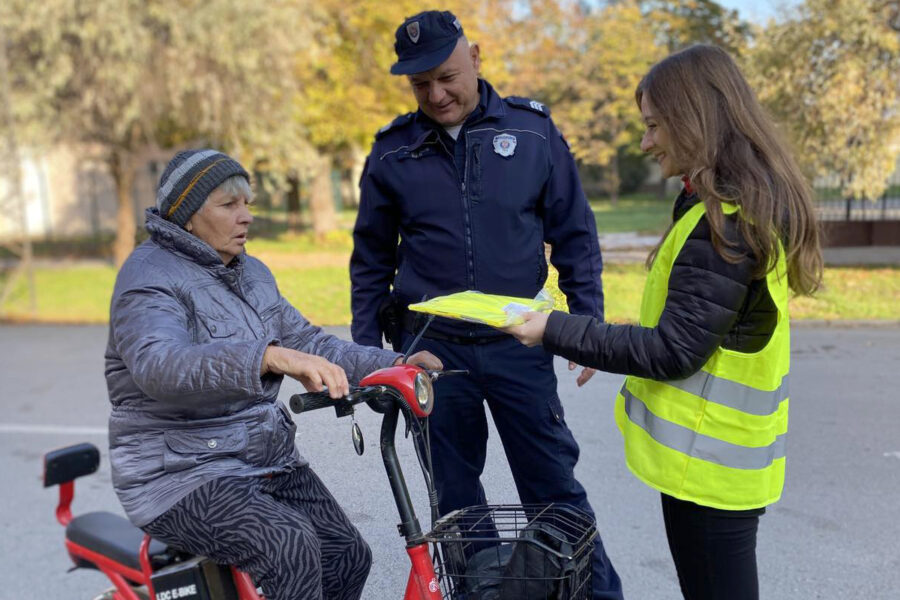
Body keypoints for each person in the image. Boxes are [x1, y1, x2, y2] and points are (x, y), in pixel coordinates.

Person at [504, 44, 823, 600]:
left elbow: (675, 348)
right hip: (717, 463)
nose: (647, 142)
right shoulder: (728, 207)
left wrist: (550, 329)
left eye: (654, 126)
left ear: (694, 119)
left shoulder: (723, 223)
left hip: (709, 466)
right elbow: (695, 324)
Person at [350, 10, 623, 599]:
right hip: (432, 352)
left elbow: (575, 232)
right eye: (420, 85)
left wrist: (585, 325)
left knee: (553, 491)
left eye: (446, 76)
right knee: (455, 502)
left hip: (519, 342)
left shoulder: (532, 133)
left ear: (475, 57)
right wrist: (365, 351)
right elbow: (370, 257)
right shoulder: (393, 151)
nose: (436, 94)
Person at [104, 149, 441, 600]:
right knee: (290, 547)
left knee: (346, 554)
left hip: (260, 456)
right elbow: (159, 367)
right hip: (179, 472)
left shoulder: (251, 273)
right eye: (229, 206)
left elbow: (311, 343)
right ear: (186, 215)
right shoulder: (147, 277)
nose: (246, 217)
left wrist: (393, 365)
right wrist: (266, 357)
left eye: (247, 204)